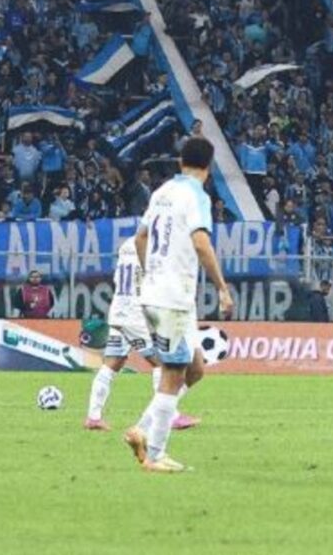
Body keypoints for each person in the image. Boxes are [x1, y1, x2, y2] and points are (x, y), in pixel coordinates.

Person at [124, 137, 232, 473]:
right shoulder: (195, 196)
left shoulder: (162, 192)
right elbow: (201, 243)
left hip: (162, 294)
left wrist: (150, 271)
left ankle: (141, 428)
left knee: (195, 368)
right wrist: (222, 288)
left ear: (179, 161)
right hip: (171, 297)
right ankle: (155, 454)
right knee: (173, 373)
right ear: (209, 167)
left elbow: (141, 237)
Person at [84, 236, 201, 432]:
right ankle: (169, 416)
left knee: (112, 363)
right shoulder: (154, 247)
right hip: (136, 313)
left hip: (118, 309)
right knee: (164, 364)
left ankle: (93, 417)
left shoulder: (127, 244)